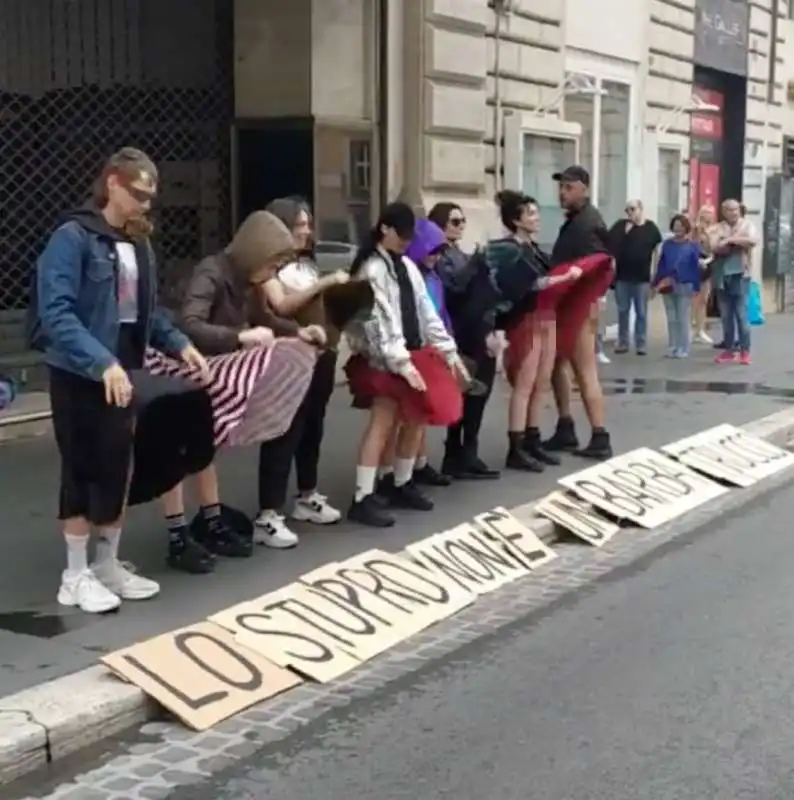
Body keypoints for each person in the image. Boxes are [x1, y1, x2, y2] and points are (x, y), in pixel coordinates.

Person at [33, 147, 212, 613]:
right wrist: (101, 363)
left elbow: (145, 314)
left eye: (151, 196)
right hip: (79, 372)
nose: (146, 204)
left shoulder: (138, 244)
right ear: (112, 182)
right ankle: (74, 574)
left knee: (119, 466)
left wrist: (179, 344)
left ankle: (108, 562)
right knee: (81, 469)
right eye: (139, 193)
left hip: (122, 371)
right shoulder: (71, 238)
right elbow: (57, 314)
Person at [158, 209, 319, 567]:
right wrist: (239, 337)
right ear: (256, 253)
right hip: (180, 368)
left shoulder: (248, 278)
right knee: (175, 452)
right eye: (273, 265)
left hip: (208, 369)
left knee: (202, 449)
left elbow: (265, 318)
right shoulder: (211, 273)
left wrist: (297, 333)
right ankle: (178, 534)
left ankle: (210, 520)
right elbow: (190, 324)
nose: (273, 274)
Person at [344, 202, 469, 528]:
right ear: (384, 229)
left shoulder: (406, 267)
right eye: (401, 234)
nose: (405, 241)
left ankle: (400, 482)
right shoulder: (371, 270)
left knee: (416, 418)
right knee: (382, 423)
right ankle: (362, 496)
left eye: (408, 236)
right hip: (384, 358)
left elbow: (426, 311)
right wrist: (401, 363)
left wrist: (447, 351)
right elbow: (378, 322)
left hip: (411, 352)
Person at [261, 197, 350, 533]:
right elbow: (282, 305)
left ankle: (307, 493)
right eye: (298, 225)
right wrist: (325, 284)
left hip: (321, 353)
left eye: (307, 225)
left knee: (314, 425)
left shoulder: (306, 263)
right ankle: (269, 511)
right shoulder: (267, 267)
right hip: (288, 357)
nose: (305, 232)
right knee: (285, 429)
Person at [494, 191, 583, 471]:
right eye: (530, 213)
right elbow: (528, 284)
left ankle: (532, 438)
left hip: (546, 319)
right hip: (527, 321)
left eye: (536, 212)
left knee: (541, 382)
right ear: (515, 220)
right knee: (525, 383)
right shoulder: (509, 249)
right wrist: (564, 277)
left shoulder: (532, 248)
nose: (537, 217)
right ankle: (516, 445)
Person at [542, 165, 615, 460]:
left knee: (585, 371)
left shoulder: (588, 223)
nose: (562, 193)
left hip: (579, 307)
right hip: (569, 306)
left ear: (584, 188)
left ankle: (600, 435)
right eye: (561, 187)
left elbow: (598, 263)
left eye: (569, 187)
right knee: (558, 365)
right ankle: (565, 426)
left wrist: (591, 298)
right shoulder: (576, 221)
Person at [378, 217, 455, 491]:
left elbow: (436, 314)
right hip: (402, 352)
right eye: (432, 250)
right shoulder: (405, 274)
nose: (436, 256)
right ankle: (388, 474)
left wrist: (447, 347)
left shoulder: (427, 276)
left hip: (426, 349)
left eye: (440, 251)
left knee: (416, 418)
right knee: (396, 420)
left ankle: (411, 469)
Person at [428, 202, 500, 480]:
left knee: (478, 394)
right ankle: (457, 453)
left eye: (462, 221)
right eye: (454, 221)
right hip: (462, 333)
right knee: (467, 392)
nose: (460, 226)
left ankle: (467, 451)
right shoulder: (440, 255)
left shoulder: (456, 251)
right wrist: (475, 263)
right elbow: (454, 287)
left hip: (478, 329)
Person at [608, 199, 662, 355]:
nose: (630, 213)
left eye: (632, 209)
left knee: (641, 312)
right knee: (623, 310)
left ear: (640, 209)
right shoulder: (621, 226)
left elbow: (656, 251)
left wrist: (655, 273)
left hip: (642, 277)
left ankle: (641, 343)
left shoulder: (650, 228)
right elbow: (609, 244)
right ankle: (623, 341)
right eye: (627, 210)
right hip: (622, 276)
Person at [712, 198, 757, 365]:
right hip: (722, 276)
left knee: (741, 315)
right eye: (729, 210)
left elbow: (752, 241)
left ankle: (745, 351)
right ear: (723, 211)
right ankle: (729, 350)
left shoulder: (748, 225)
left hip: (741, 275)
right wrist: (736, 243)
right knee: (726, 316)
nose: (733, 212)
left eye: (735, 209)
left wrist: (730, 240)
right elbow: (714, 246)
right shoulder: (718, 227)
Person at [652, 214, 701, 358]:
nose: (677, 228)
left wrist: (696, 287)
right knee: (671, 317)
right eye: (675, 225)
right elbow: (661, 264)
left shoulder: (693, 246)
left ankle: (683, 347)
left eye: (680, 226)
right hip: (667, 284)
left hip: (685, 285)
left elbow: (695, 267)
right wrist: (656, 283)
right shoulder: (667, 244)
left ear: (686, 228)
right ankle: (672, 346)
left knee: (682, 317)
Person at [692, 204, 717, 345]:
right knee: (694, 299)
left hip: (709, 264)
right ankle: (693, 327)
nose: (708, 216)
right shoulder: (694, 229)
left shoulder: (715, 230)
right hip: (695, 265)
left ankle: (700, 330)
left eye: (710, 213)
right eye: (705, 213)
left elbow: (714, 247)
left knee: (704, 300)